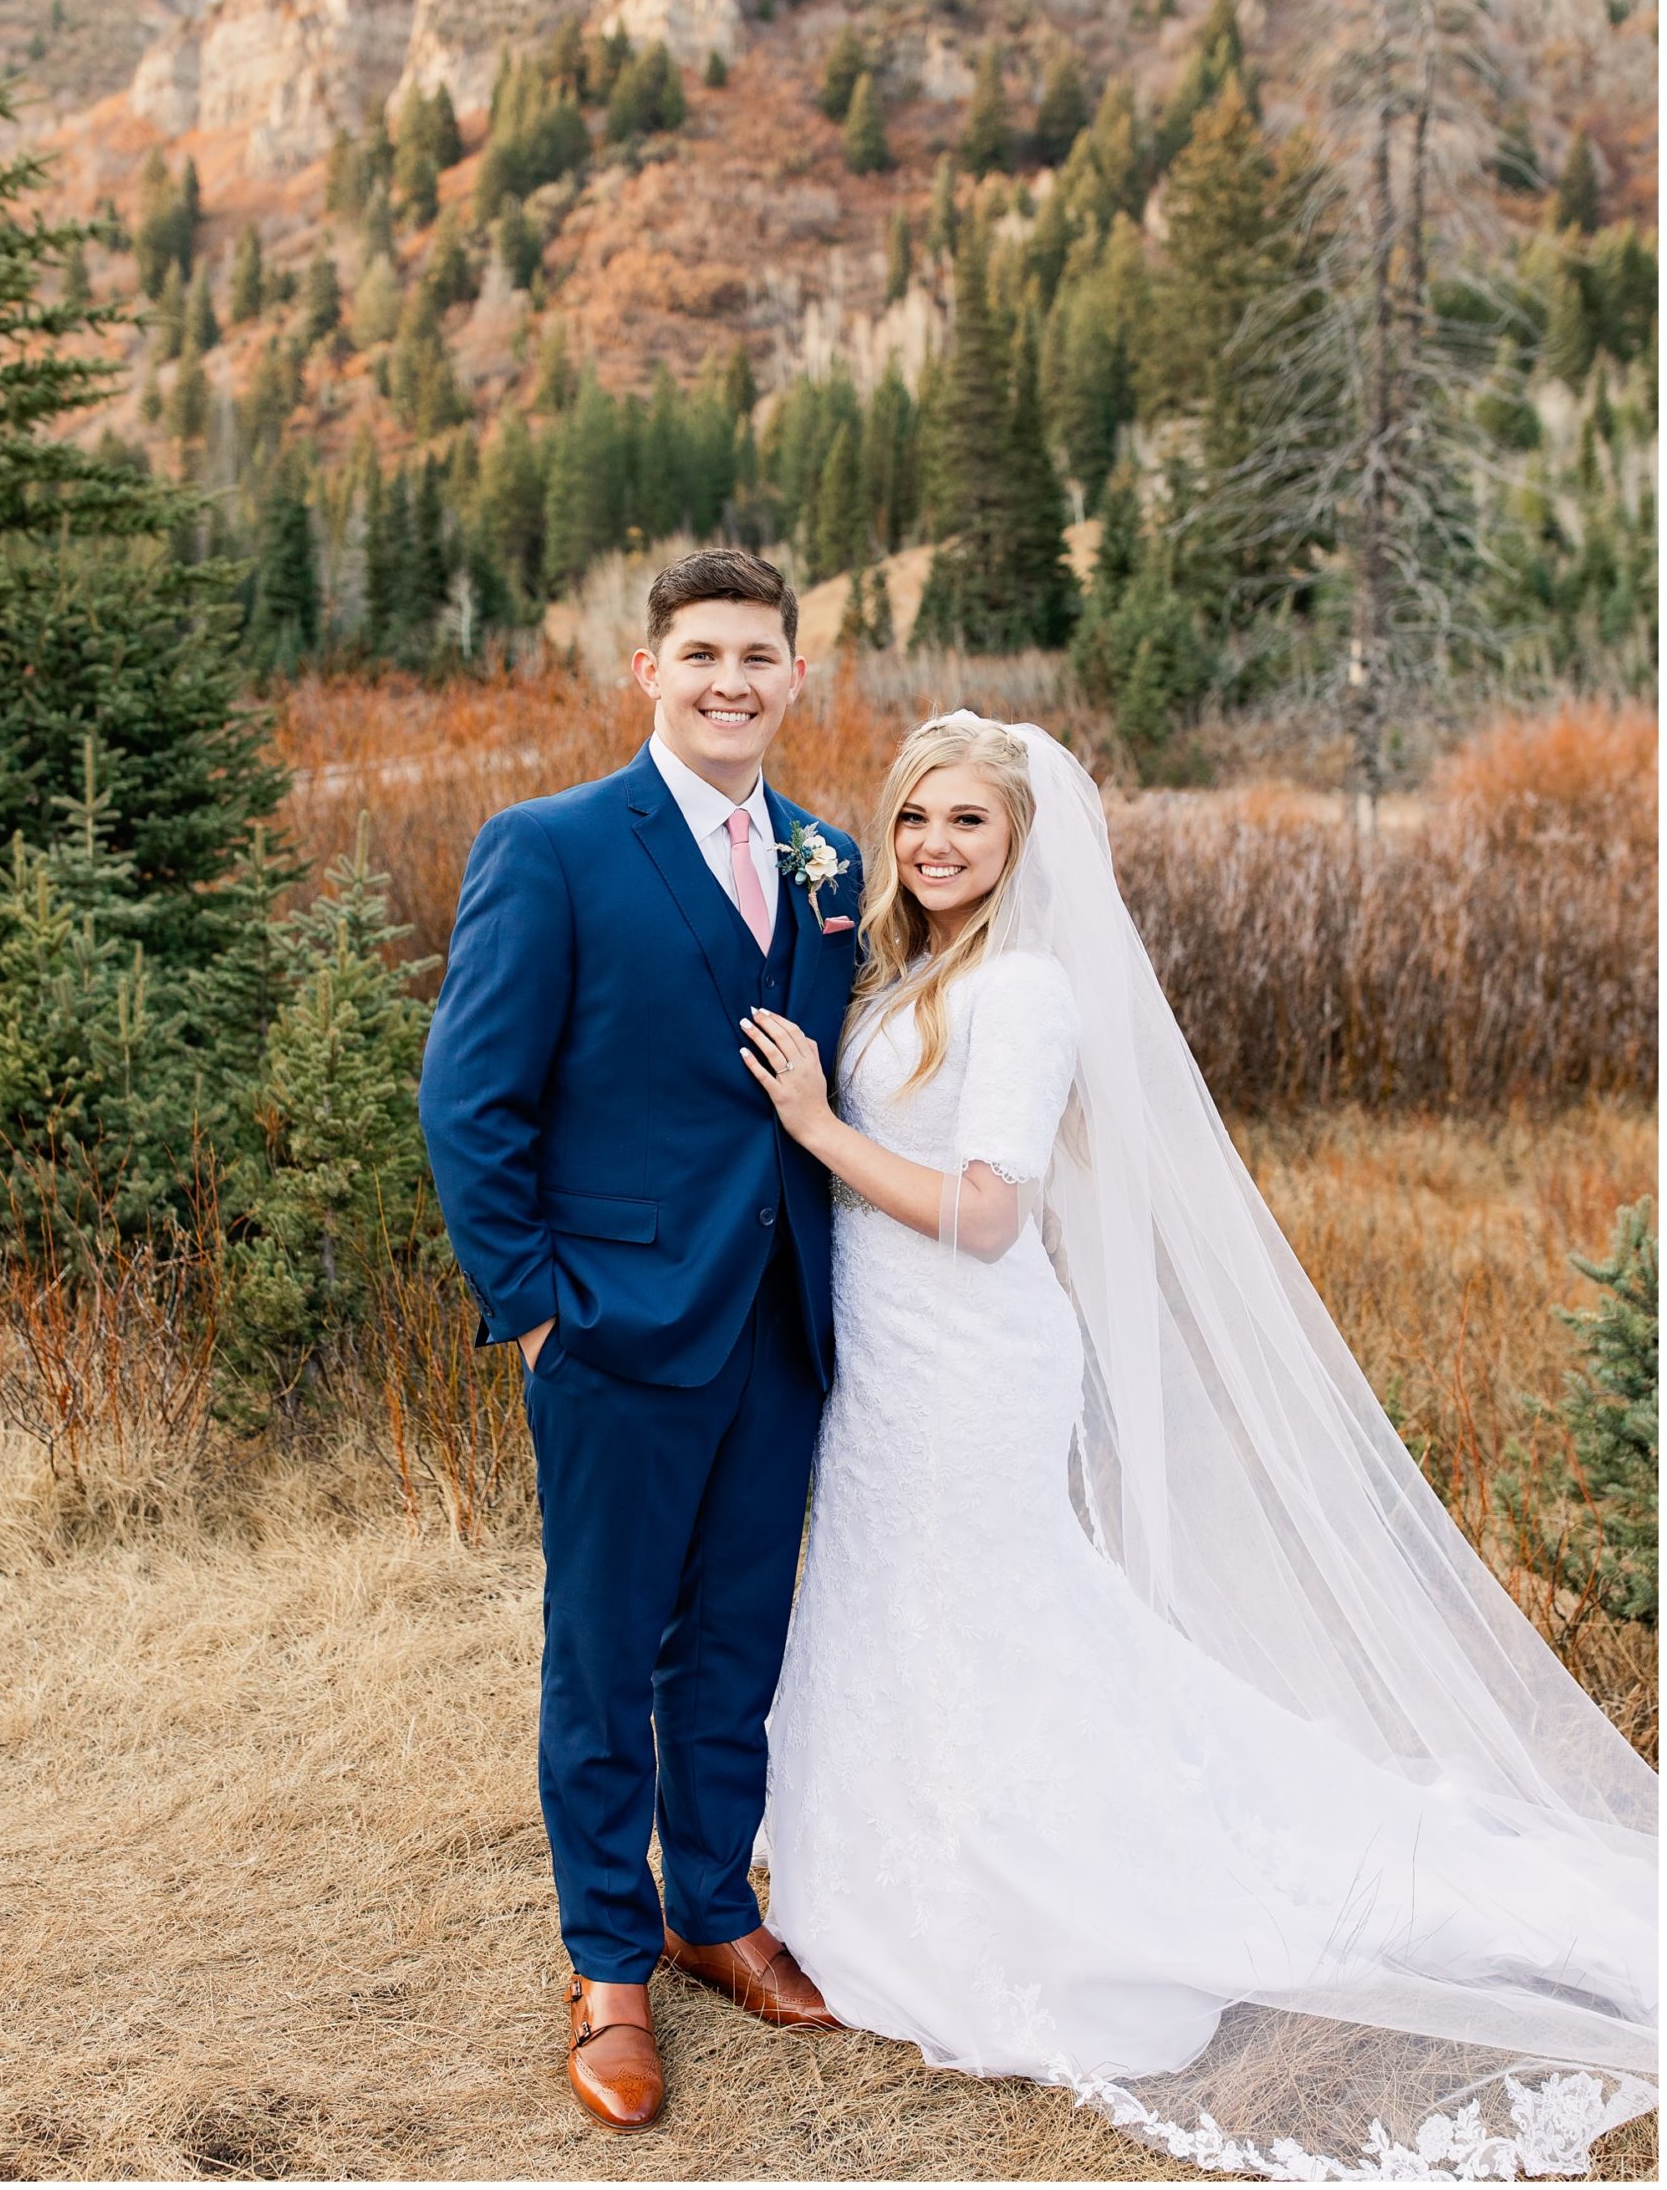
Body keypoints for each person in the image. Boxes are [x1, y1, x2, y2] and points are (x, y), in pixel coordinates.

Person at [742, 711, 1658, 2183]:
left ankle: (1053, 1886)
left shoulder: (1026, 991)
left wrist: (813, 1123)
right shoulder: (904, 972)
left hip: (973, 1366)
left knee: (993, 1616)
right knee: (896, 1608)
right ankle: (895, 1863)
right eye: (916, 818)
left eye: (968, 823)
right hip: (888, 1370)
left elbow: (988, 1213)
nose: (933, 845)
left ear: (1020, 842)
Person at [417, 550, 862, 2132]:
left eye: (760, 654)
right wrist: (534, 1310)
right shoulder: (547, 849)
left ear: (796, 677)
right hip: (609, 1326)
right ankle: (608, 1962)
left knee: (738, 1634)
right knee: (604, 1653)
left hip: (780, 1322)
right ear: (647, 671)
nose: (732, 679)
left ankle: (712, 1911)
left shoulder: (831, 859)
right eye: (703, 653)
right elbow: (469, 1105)